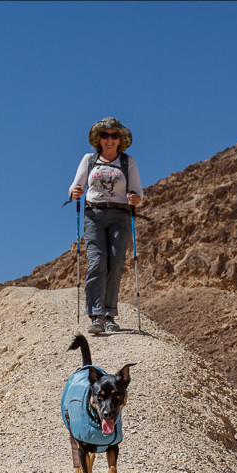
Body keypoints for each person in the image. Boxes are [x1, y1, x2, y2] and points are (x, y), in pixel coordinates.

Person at [68, 117, 143, 334]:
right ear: (98, 139)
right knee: (97, 261)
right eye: (105, 135)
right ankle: (96, 314)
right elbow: (75, 187)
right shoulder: (89, 160)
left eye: (114, 135)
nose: (109, 139)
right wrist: (74, 193)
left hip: (120, 215)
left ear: (120, 140)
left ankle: (110, 314)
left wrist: (136, 199)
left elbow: (138, 190)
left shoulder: (128, 162)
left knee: (116, 263)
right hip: (94, 214)